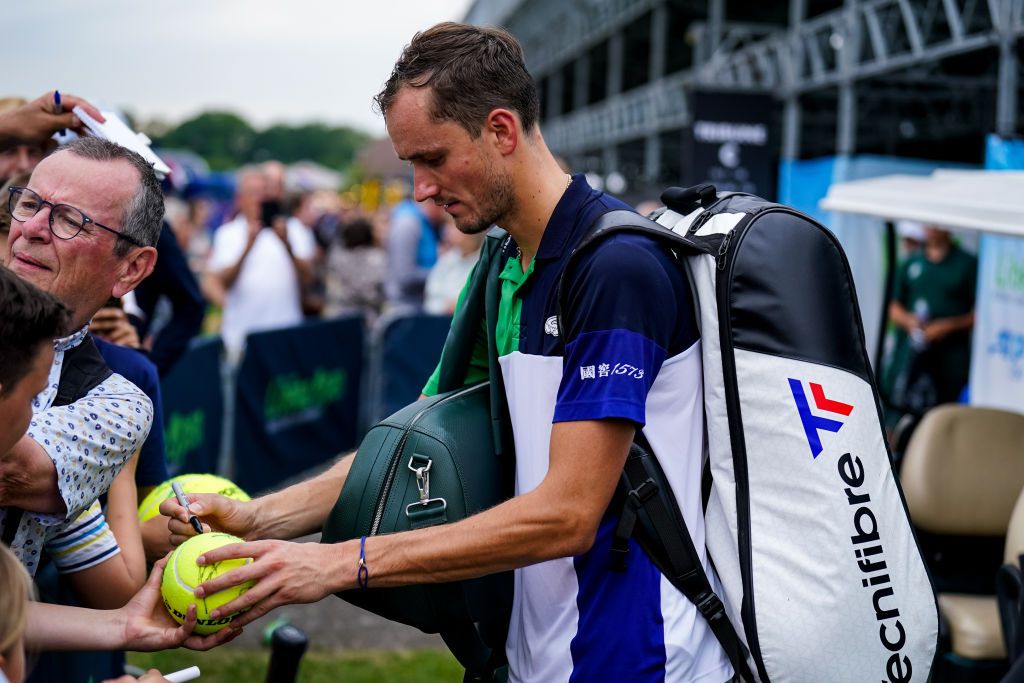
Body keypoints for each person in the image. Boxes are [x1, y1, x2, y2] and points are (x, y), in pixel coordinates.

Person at [163, 22, 732, 683]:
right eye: (411, 165)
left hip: (635, 661)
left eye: (432, 159)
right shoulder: (502, 263)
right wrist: (262, 517)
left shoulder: (616, 268)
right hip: (529, 653)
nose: (421, 190)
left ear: (500, 130)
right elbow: (409, 450)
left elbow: (570, 512)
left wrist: (337, 562)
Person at [2, 137, 160, 577]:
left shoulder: (118, 405)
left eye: (70, 220)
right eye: (28, 203)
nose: (32, 227)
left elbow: (9, 467)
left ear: (131, 269)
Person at [204, 168, 315, 355]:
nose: (260, 199)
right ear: (240, 199)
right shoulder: (227, 233)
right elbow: (221, 281)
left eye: (264, 193)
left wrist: (287, 244)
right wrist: (248, 247)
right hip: (241, 338)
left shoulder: (294, 229)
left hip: (286, 334)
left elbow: (308, 278)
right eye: (253, 193)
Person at [882, 224, 977, 416]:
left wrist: (946, 327)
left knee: (942, 417)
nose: (932, 227)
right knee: (897, 415)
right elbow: (892, 306)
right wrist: (909, 321)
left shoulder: (968, 264)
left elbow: (978, 315)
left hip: (950, 363)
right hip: (909, 358)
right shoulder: (911, 262)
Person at [384, 197, 446, 309]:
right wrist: (445, 272)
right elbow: (404, 276)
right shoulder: (408, 225)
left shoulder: (428, 224)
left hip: (421, 303)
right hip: (405, 307)